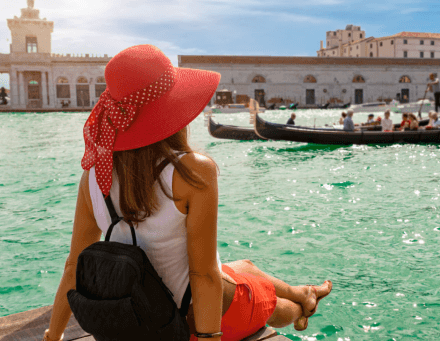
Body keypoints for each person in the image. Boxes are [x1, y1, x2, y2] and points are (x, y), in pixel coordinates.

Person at [43, 45, 332, 341]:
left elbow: (72, 266)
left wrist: (53, 335)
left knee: (245, 267)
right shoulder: (192, 171)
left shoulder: (93, 176)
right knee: (270, 301)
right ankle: (302, 307)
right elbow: (203, 276)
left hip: (138, 313)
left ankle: (302, 292)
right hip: (186, 324)